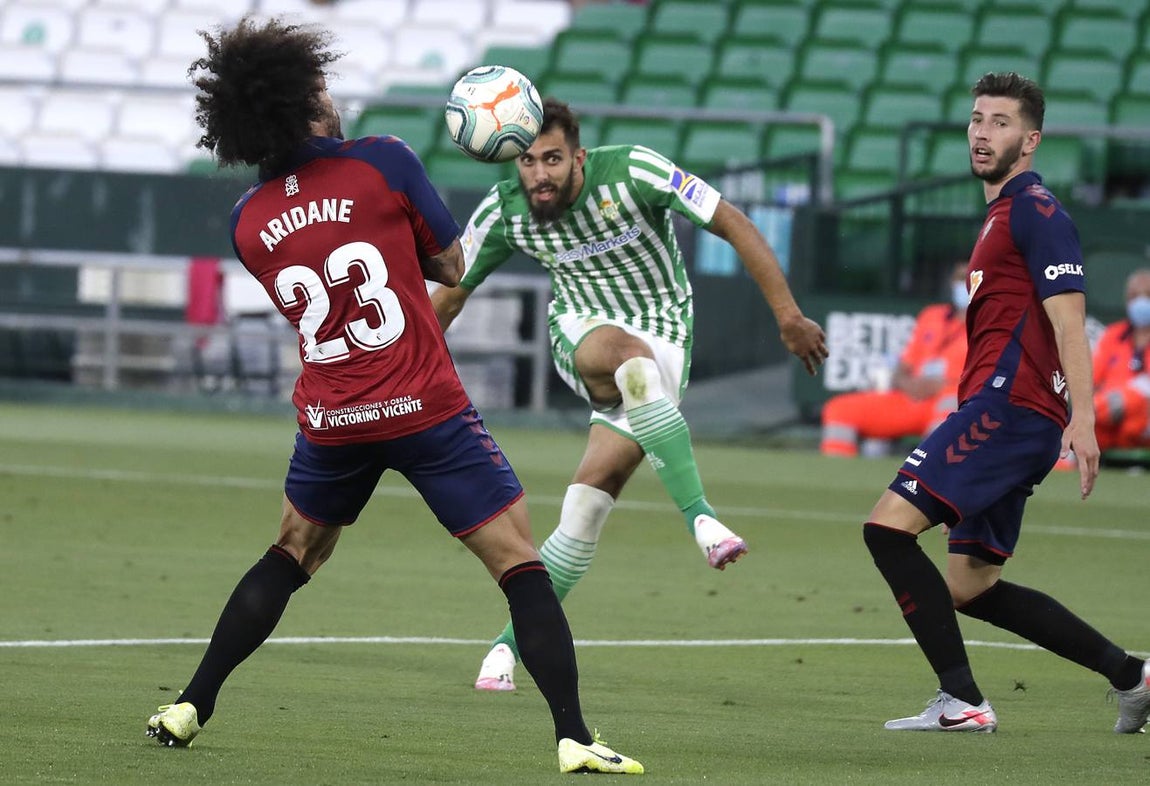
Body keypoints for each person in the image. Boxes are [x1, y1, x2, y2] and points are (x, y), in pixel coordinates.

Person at [143, 19, 643, 775]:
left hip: (334, 419)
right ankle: (574, 736)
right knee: (517, 562)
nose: (331, 97)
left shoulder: (248, 222)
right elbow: (449, 264)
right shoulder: (384, 162)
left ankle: (190, 703)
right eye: (321, 89)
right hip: (422, 407)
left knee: (292, 553)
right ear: (304, 102)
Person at [431, 98, 828, 691]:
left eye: (553, 159)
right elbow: (451, 293)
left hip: (667, 331)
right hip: (584, 333)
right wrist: (396, 366)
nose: (539, 174)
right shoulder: (505, 211)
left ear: (579, 157)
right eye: (529, 162)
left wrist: (789, 315)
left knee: (586, 508)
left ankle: (504, 649)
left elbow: (733, 223)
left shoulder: (636, 170)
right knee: (624, 358)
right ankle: (703, 520)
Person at [862, 71, 1150, 734]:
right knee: (969, 585)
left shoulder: (1035, 210)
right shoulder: (1000, 214)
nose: (983, 133)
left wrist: (1083, 416)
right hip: (1009, 413)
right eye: (976, 120)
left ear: (1031, 140)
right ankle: (1132, 677)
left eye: (1000, 122)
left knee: (886, 529)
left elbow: (1070, 318)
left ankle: (961, 700)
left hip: (1010, 410)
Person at [821, 260, 969, 458]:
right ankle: (834, 475)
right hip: (912, 396)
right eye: (960, 279)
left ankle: (929, 479)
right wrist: (906, 382)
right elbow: (904, 365)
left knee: (951, 406)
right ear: (951, 282)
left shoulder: (992, 322)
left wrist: (945, 385)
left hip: (953, 399)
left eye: (970, 278)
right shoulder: (932, 315)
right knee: (839, 409)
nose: (965, 284)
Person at [1091, 268, 1150, 452]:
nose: (1141, 301)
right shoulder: (1112, 335)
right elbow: (1092, 381)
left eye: (1148, 295)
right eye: (1134, 296)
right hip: (1107, 421)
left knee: (1135, 395)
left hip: (1143, 420)